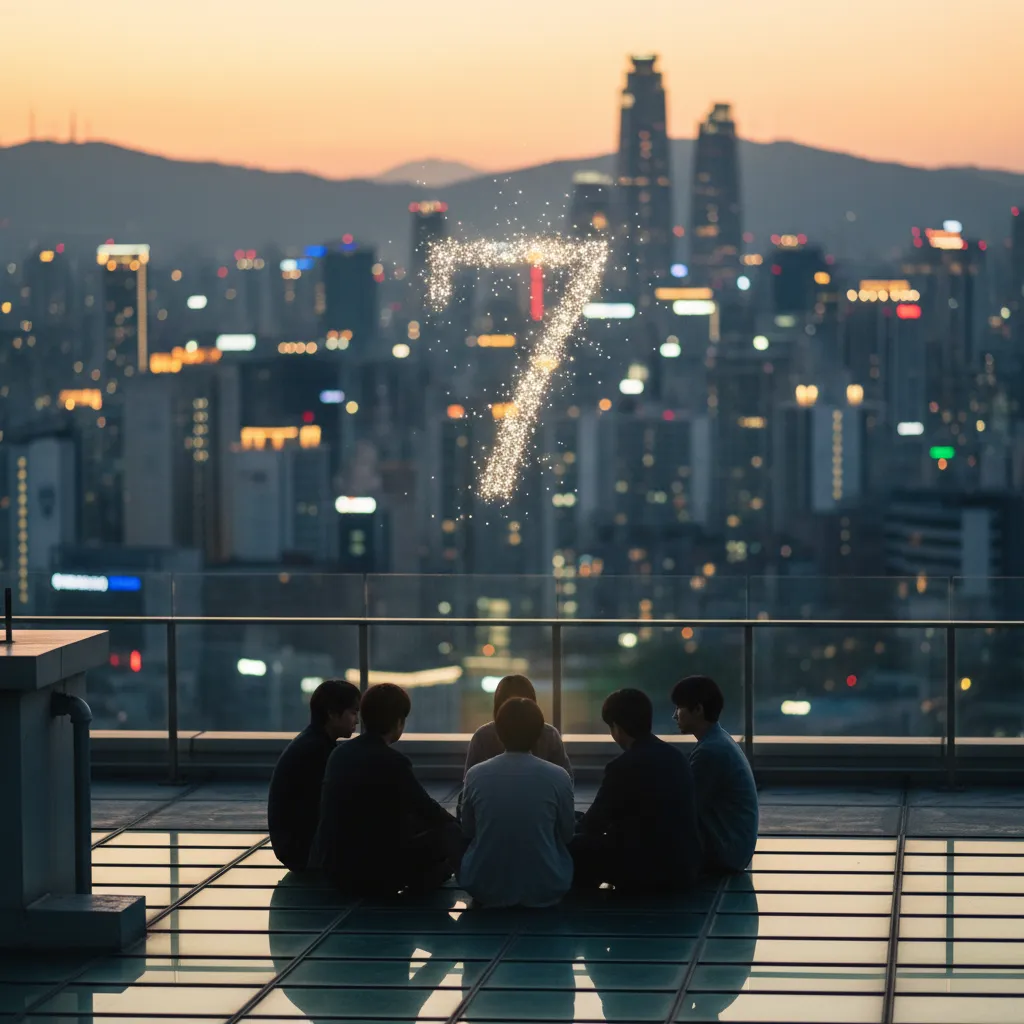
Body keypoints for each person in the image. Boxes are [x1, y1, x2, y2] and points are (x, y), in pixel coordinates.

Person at [308, 682, 458, 894]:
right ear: (398, 722)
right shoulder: (394, 761)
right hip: (375, 875)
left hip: (335, 871)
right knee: (447, 833)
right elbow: (428, 810)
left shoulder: (339, 754)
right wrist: (458, 825)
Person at [571, 688, 702, 892]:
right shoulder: (677, 757)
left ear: (616, 727)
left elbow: (594, 824)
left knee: (573, 845)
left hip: (643, 871)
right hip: (683, 867)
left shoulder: (622, 766)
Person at [459, 697, 575, 907]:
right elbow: (567, 834)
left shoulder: (476, 774)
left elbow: (467, 830)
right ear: (539, 733)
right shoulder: (559, 776)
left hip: (484, 887)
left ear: (499, 731)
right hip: (547, 886)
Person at [267, 679, 360, 872]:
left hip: (294, 848)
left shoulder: (312, 743)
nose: (357, 721)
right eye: (353, 713)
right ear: (333, 714)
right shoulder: (318, 752)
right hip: (305, 852)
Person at [672, 675, 759, 874]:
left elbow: (684, 808)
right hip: (735, 846)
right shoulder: (719, 740)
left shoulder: (709, 751)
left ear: (698, 710)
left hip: (726, 852)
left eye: (679, 708)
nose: (675, 715)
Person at [464, 674, 572, 777]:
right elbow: (565, 783)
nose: (517, 713)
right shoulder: (550, 735)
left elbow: (469, 787)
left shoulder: (482, 736)